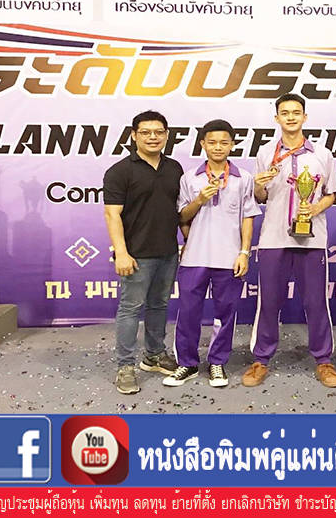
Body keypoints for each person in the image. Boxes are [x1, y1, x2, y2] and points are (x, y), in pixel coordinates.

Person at [243, 93, 336, 388]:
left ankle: (323, 360)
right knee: (269, 302)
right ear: (277, 118)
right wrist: (258, 187)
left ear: (305, 117)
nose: (291, 117)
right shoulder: (265, 153)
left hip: (312, 239)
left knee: (316, 302)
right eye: (285, 113)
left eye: (296, 112)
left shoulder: (322, 154)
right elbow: (261, 197)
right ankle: (261, 359)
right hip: (273, 237)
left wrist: (315, 208)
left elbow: (332, 194)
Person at [165, 119, 261, 387]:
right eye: (212, 142)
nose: (218, 147)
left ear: (232, 145)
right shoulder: (189, 177)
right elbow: (182, 216)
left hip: (229, 257)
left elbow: (248, 217)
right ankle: (187, 364)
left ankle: (217, 362)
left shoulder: (243, 178)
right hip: (194, 256)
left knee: (225, 312)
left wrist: (244, 252)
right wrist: (199, 200)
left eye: (224, 142)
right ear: (203, 144)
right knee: (188, 312)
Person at [103, 110, 183, 394]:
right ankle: (125, 366)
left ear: (166, 135)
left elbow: (180, 211)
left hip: (168, 252)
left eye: (158, 132)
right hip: (136, 255)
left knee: (159, 305)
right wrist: (121, 253)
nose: (153, 137)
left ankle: (154, 355)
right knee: (130, 309)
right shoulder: (120, 171)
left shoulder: (174, 168)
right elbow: (112, 215)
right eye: (146, 132)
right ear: (134, 135)